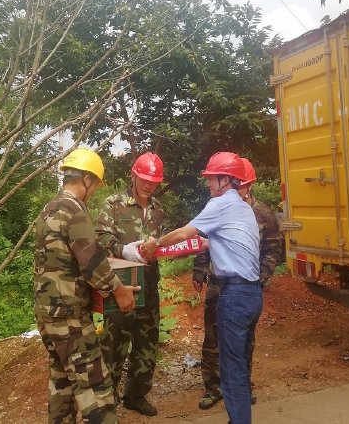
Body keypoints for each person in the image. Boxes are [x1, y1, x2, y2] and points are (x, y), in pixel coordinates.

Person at [142, 151, 261, 424]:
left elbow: (185, 232)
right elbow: (223, 241)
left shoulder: (221, 204)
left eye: (211, 178)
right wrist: (203, 244)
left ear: (225, 180)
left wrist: (156, 243)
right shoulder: (244, 208)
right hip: (252, 294)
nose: (208, 183)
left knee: (231, 370)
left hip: (233, 295)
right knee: (240, 362)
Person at [34, 148, 140, 424]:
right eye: (94, 186)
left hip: (46, 312)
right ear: (87, 179)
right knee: (95, 386)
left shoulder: (49, 208)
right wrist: (119, 290)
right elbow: (91, 261)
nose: (92, 193)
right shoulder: (74, 209)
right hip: (69, 315)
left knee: (62, 381)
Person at [193, 157, 284, 410]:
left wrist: (260, 277)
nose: (238, 189)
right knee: (213, 337)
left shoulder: (262, 214)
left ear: (249, 185)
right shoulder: (219, 205)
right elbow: (204, 237)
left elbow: (273, 250)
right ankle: (213, 387)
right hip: (218, 282)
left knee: (243, 341)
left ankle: (241, 386)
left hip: (244, 286)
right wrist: (199, 269)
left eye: (242, 185)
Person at [95, 152, 165, 417]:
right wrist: (122, 249)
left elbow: (160, 243)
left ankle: (136, 396)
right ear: (133, 175)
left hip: (149, 286)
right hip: (120, 287)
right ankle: (106, 401)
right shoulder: (114, 204)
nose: (148, 185)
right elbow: (99, 237)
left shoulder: (158, 210)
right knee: (114, 345)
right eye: (144, 179)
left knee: (147, 345)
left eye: (153, 182)